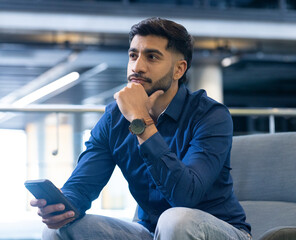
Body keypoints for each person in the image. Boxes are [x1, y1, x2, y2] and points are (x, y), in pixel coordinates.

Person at [30, 17, 252, 240]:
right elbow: (82, 185)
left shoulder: (211, 115)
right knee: (58, 229)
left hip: (219, 230)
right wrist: (63, 205)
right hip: (151, 231)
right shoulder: (114, 118)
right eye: (133, 55)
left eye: (152, 57)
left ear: (179, 69)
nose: (137, 67)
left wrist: (140, 120)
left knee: (175, 221)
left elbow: (186, 196)